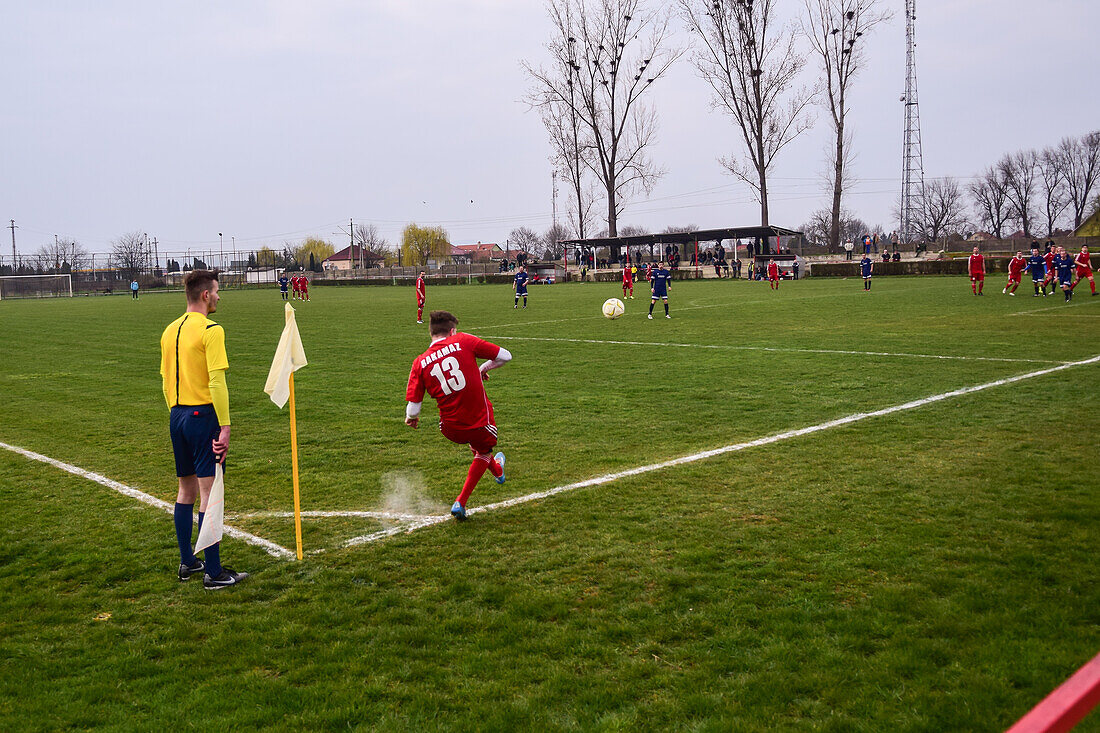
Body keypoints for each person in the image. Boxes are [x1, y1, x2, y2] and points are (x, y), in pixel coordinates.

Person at [158, 270, 246, 589]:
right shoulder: (211, 330)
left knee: (186, 489)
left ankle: (188, 562)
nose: (220, 296)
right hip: (202, 416)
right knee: (209, 492)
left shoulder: (169, 331)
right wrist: (224, 425)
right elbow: (216, 381)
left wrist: (177, 412)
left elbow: (166, 379)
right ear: (205, 295)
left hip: (177, 415)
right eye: (217, 291)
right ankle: (214, 571)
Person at [404, 310, 511, 520]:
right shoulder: (462, 340)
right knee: (483, 449)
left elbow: (413, 408)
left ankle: (498, 471)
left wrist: (412, 418)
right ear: (452, 331)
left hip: (450, 429)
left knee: (476, 443)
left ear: (431, 333)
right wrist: (482, 369)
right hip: (479, 423)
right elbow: (505, 356)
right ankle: (460, 502)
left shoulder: (420, 362)